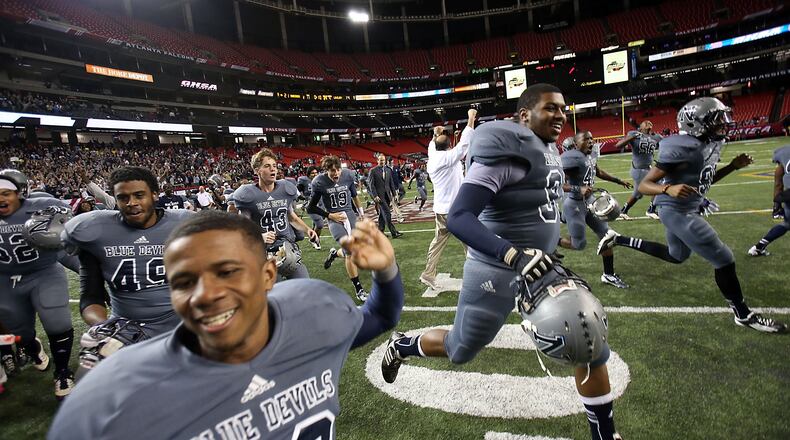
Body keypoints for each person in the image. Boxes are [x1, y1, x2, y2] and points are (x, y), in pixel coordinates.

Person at [381, 85, 623, 440]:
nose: (559, 115)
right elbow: (461, 217)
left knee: (584, 331)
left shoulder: (550, 149)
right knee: (460, 349)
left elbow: (538, 202)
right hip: (495, 268)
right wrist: (513, 253)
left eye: (561, 108)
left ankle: (605, 434)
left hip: (539, 266)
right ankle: (402, 345)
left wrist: (563, 227)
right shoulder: (507, 148)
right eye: (549, 108)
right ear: (524, 115)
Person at [49, 212, 404, 439]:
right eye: (184, 281)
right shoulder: (113, 399)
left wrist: (385, 271)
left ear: (268, 275)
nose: (205, 295)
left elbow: (379, 318)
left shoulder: (311, 311)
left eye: (227, 272)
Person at [598, 97, 786, 333]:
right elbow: (645, 185)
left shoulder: (708, 145)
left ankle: (619, 239)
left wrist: (732, 167)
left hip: (685, 207)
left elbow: (703, 181)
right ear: (696, 123)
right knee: (724, 258)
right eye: (716, 120)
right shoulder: (683, 146)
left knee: (676, 256)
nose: (722, 124)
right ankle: (743, 314)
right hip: (676, 210)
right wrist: (668, 188)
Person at [62, 166, 194, 339]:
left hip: (184, 322)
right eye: (123, 197)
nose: (131, 203)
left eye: (139, 195)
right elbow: (91, 296)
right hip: (125, 328)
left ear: (154, 195)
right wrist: (102, 328)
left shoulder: (185, 224)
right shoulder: (95, 231)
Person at [0, 169, 75, 399]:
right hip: (5, 278)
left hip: (43, 272)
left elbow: (65, 232)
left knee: (57, 322)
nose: (1, 199)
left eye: (6, 193)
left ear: (21, 193)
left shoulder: (42, 206)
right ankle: (34, 349)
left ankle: (62, 372)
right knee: (17, 332)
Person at [228, 148, 318, 280]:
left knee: (303, 284)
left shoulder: (285, 188)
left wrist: (307, 229)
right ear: (257, 170)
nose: (273, 169)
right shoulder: (248, 194)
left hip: (287, 247)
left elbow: (291, 217)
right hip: (264, 252)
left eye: (274, 166)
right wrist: (260, 236)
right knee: (274, 293)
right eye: (267, 166)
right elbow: (242, 229)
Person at [559, 131, 632, 288]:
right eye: (586, 139)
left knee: (606, 236)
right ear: (576, 143)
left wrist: (618, 180)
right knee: (579, 244)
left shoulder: (590, 155)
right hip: (574, 204)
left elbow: (598, 172)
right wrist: (578, 189)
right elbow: (557, 183)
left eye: (592, 139)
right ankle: (553, 242)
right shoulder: (571, 158)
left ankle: (609, 274)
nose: (591, 141)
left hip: (590, 202)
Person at [418, 108, 476, 290]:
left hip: (441, 211)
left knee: (438, 243)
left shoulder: (433, 155)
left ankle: (428, 273)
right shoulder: (448, 157)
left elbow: (432, 144)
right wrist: (471, 118)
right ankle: (476, 273)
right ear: (449, 146)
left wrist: (436, 134)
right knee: (471, 241)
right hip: (455, 210)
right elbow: (465, 144)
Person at [307, 156, 369, 302]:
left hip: (349, 214)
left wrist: (361, 214)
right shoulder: (319, 182)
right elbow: (311, 207)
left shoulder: (347, 175)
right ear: (326, 170)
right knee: (350, 251)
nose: (336, 173)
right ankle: (358, 288)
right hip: (334, 218)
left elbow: (354, 195)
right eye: (332, 170)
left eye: (338, 170)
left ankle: (335, 254)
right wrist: (329, 215)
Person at [747, 144, 790, 256]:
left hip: (789, 195)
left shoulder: (784, 151)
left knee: (787, 224)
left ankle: (758, 247)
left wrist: (776, 204)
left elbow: (778, 178)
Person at [615, 121, 662, 220]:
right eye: (645, 123)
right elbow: (618, 145)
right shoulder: (634, 134)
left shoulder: (656, 137)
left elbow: (665, 145)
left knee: (637, 194)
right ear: (640, 127)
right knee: (658, 184)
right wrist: (631, 137)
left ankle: (623, 211)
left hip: (647, 168)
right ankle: (651, 210)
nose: (648, 123)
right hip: (638, 169)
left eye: (650, 123)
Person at [368, 154, 403, 238]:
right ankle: (394, 233)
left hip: (387, 195)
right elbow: (371, 185)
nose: (382, 161)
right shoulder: (373, 171)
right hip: (379, 196)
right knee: (387, 213)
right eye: (380, 160)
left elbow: (391, 183)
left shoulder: (388, 170)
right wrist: (375, 196)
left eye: (383, 160)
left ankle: (380, 232)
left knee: (382, 215)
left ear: (385, 161)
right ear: (377, 161)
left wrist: (394, 194)